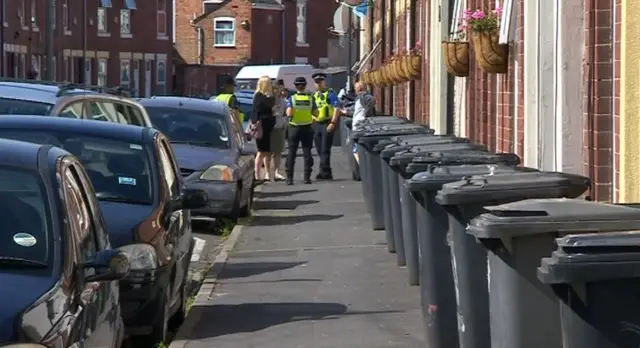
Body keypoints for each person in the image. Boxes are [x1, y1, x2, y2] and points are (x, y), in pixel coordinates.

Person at [285, 76, 317, 185]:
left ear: (295, 86)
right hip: (307, 127)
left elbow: (289, 113)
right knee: (307, 152)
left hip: (294, 127)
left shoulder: (292, 98)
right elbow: (316, 113)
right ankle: (307, 178)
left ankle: (289, 178)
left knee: (291, 153)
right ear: (305, 86)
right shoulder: (311, 98)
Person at [312, 72, 340, 180]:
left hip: (327, 123)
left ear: (324, 82)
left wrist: (333, 122)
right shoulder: (314, 95)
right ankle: (326, 171)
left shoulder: (330, 93)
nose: (318, 84)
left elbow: (336, 108)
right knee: (319, 149)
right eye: (316, 82)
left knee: (325, 149)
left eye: (320, 81)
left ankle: (324, 172)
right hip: (317, 124)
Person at [252, 76, 276, 181]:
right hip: (261, 126)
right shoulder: (259, 96)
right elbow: (256, 111)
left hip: (268, 126)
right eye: (269, 83)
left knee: (267, 151)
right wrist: (255, 123)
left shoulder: (268, 96)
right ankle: (257, 175)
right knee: (261, 151)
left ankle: (267, 174)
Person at [268, 80, 288, 181]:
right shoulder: (269, 99)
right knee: (268, 152)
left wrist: (285, 123)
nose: (277, 90)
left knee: (278, 152)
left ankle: (276, 172)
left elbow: (286, 113)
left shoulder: (283, 100)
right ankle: (268, 173)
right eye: (275, 88)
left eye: (279, 88)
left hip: (279, 127)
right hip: (269, 127)